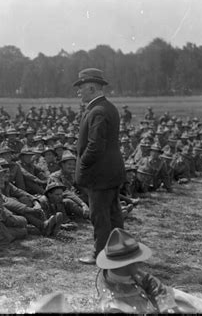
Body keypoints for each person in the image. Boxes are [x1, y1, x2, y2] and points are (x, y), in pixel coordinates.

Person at [96, 228, 202, 313]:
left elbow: (150, 281)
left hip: (152, 301)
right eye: (137, 262)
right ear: (126, 264)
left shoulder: (128, 272)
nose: (140, 264)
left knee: (176, 295)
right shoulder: (114, 304)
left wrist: (165, 304)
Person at [72, 68, 125, 265]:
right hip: (110, 172)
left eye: (81, 88)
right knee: (113, 214)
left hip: (99, 174)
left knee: (100, 216)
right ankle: (118, 251)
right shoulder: (106, 108)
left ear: (92, 88)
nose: (79, 92)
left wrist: (83, 164)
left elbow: (95, 145)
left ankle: (100, 254)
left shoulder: (98, 111)